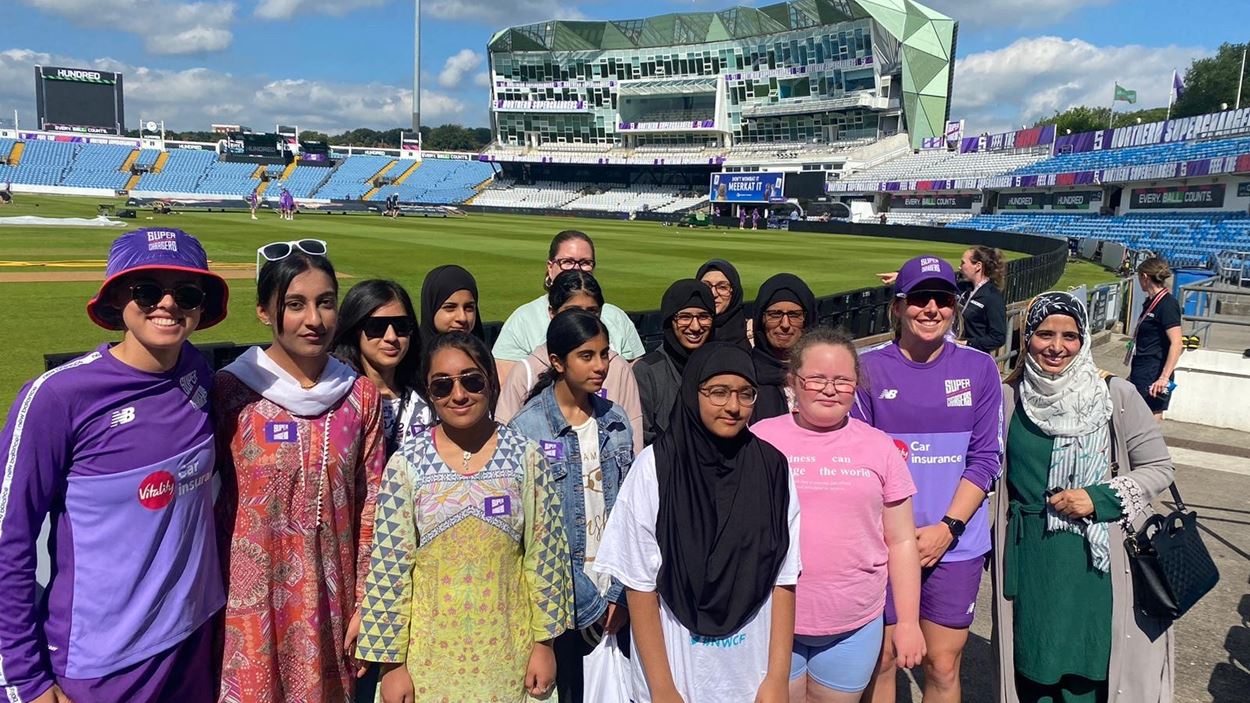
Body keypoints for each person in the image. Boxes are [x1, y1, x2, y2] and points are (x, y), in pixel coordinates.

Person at [0, 228, 227, 703]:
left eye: (186, 293)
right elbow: (9, 538)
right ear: (117, 298)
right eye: (146, 291)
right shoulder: (57, 398)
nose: (167, 304)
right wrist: (24, 677)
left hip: (193, 645)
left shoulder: (202, 377)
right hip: (100, 665)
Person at [354, 331, 573, 702]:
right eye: (442, 386)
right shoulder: (407, 464)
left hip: (510, 654)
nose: (459, 395)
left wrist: (544, 643)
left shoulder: (525, 457)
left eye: (471, 381)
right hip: (426, 661)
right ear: (429, 391)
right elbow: (390, 568)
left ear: (489, 380)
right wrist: (392, 666)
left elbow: (546, 555)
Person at [214, 243, 385, 702]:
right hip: (249, 608)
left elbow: (372, 508)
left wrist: (367, 604)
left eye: (325, 302)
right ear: (264, 312)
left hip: (333, 605)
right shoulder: (231, 392)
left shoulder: (359, 397)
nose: (314, 319)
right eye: (295, 304)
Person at [992, 292, 1175, 702]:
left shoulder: (1116, 396)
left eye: (1070, 335)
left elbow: (1160, 468)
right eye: (1044, 334)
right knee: (1031, 667)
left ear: (1084, 339)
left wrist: (1100, 498)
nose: (1057, 346)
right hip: (1032, 557)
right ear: (1027, 338)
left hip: (1097, 561)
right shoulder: (1009, 397)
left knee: (1090, 672)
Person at [594, 342, 800, 703]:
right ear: (693, 392)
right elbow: (640, 586)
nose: (733, 407)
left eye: (745, 394)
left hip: (748, 678)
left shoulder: (773, 469)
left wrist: (777, 678)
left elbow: (783, 579)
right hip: (676, 677)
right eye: (718, 392)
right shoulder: (655, 468)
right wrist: (663, 689)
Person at [853, 254, 1003, 703]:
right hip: (883, 544)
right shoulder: (866, 369)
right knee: (881, 660)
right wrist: (894, 537)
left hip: (955, 543)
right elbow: (860, 465)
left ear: (955, 307)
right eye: (919, 298)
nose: (931, 309)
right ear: (897, 307)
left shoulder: (979, 369)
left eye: (942, 299)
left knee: (941, 664)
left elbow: (984, 459)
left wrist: (947, 529)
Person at [754, 326, 925, 703]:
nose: (830, 389)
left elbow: (900, 542)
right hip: (773, 620)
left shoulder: (879, 447)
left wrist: (909, 622)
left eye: (843, 380)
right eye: (816, 378)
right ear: (793, 382)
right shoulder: (760, 439)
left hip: (853, 624)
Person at [508, 309, 636, 702]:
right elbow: (532, 533)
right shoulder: (527, 429)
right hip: (560, 603)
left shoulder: (616, 421)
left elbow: (630, 515)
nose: (600, 366)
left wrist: (618, 595)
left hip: (616, 593)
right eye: (586, 355)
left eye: (604, 354)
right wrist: (593, 604)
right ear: (558, 361)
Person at [496, 270, 644, 453]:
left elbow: (633, 447)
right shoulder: (526, 372)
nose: (583, 320)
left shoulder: (618, 367)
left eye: (592, 311)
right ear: (552, 313)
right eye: (572, 311)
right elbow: (505, 447)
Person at [492, 231, 645, 380]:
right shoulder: (523, 320)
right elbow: (507, 384)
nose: (576, 268)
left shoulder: (616, 318)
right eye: (567, 262)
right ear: (550, 268)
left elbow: (634, 380)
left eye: (585, 263)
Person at [333, 279, 432, 464]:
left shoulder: (428, 396)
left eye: (401, 326)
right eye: (377, 327)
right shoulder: (336, 399)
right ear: (355, 330)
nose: (391, 337)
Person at [633, 279, 716, 445]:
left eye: (703, 316)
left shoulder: (721, 365)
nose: (695, 326)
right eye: (684, 317)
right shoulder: (648, 371)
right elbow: (642, 437)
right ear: (670, 319)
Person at [751, 273, 817, 422]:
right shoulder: (744, 372)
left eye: (794, 315)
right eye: (775, 314)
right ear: (761, 319)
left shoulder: (825, 374)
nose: (785, 324)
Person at [1127, 257, 1183, 420]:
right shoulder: (1149, 302)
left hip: (1155, 372)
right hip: (1142, 369)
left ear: (1144, 277)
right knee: (1134, 420)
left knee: (1147, 424)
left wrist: (1164, 378)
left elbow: (1177, 343)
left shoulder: (1167, 305)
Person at [958, 246, 1008, 355]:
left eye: (963, 263)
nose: (959, 267)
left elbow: (998, 337)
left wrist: (967, 343)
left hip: (974, 358)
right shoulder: (963, 289)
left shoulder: (992, 297)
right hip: (956, 354)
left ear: (978, 266)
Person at [419, 264, 485, 341]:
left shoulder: (481, 351)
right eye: (450, 307)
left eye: (469, 308)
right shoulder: (411, 352)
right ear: (430, 309)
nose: (462, 318)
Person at [696, 258, 750, 349]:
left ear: (734, 292)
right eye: (706, 287)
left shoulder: (751, 332)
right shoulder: (686, 328)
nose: (713, 294)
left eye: (722, 287)